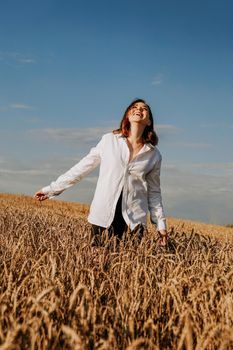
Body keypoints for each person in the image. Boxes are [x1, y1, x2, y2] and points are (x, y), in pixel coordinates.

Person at [34, 98, 168, 246]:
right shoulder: (109, 140)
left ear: (149, 121)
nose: (139, 109)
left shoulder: (154, 155)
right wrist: (51, 189)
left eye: (144, 109)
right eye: (134, 107)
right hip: (103, 215)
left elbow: (154, 192)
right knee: (96, 264)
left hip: (134, 222)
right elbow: (82, 168)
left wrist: (160, 225)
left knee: (127, 267)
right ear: (127, 116)